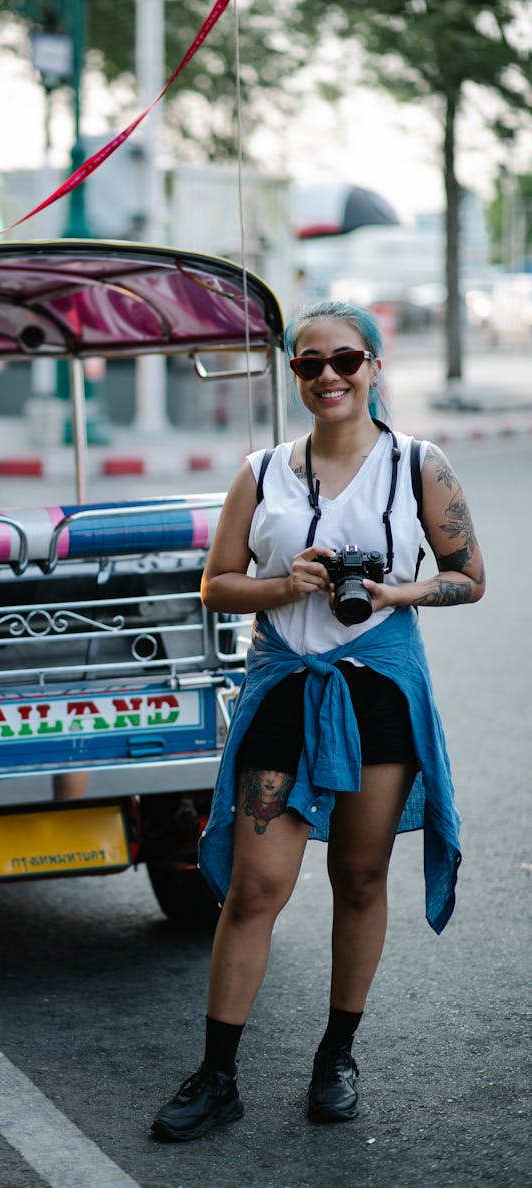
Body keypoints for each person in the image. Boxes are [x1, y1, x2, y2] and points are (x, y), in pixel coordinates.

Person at [150, 300, 485, 1142]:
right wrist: (284, 584)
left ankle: (336, 1054)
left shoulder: (419, 464)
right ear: (292, 374)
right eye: (309, 364)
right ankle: (216, 1074)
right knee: (257, 886)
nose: (328, 376)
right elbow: (215, 584)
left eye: (344, 359)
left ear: (373, 365)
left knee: (361, 878)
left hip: (377, 686)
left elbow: (468, 575)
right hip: (286, 689)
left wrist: (395, 591)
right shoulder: (259, 472)